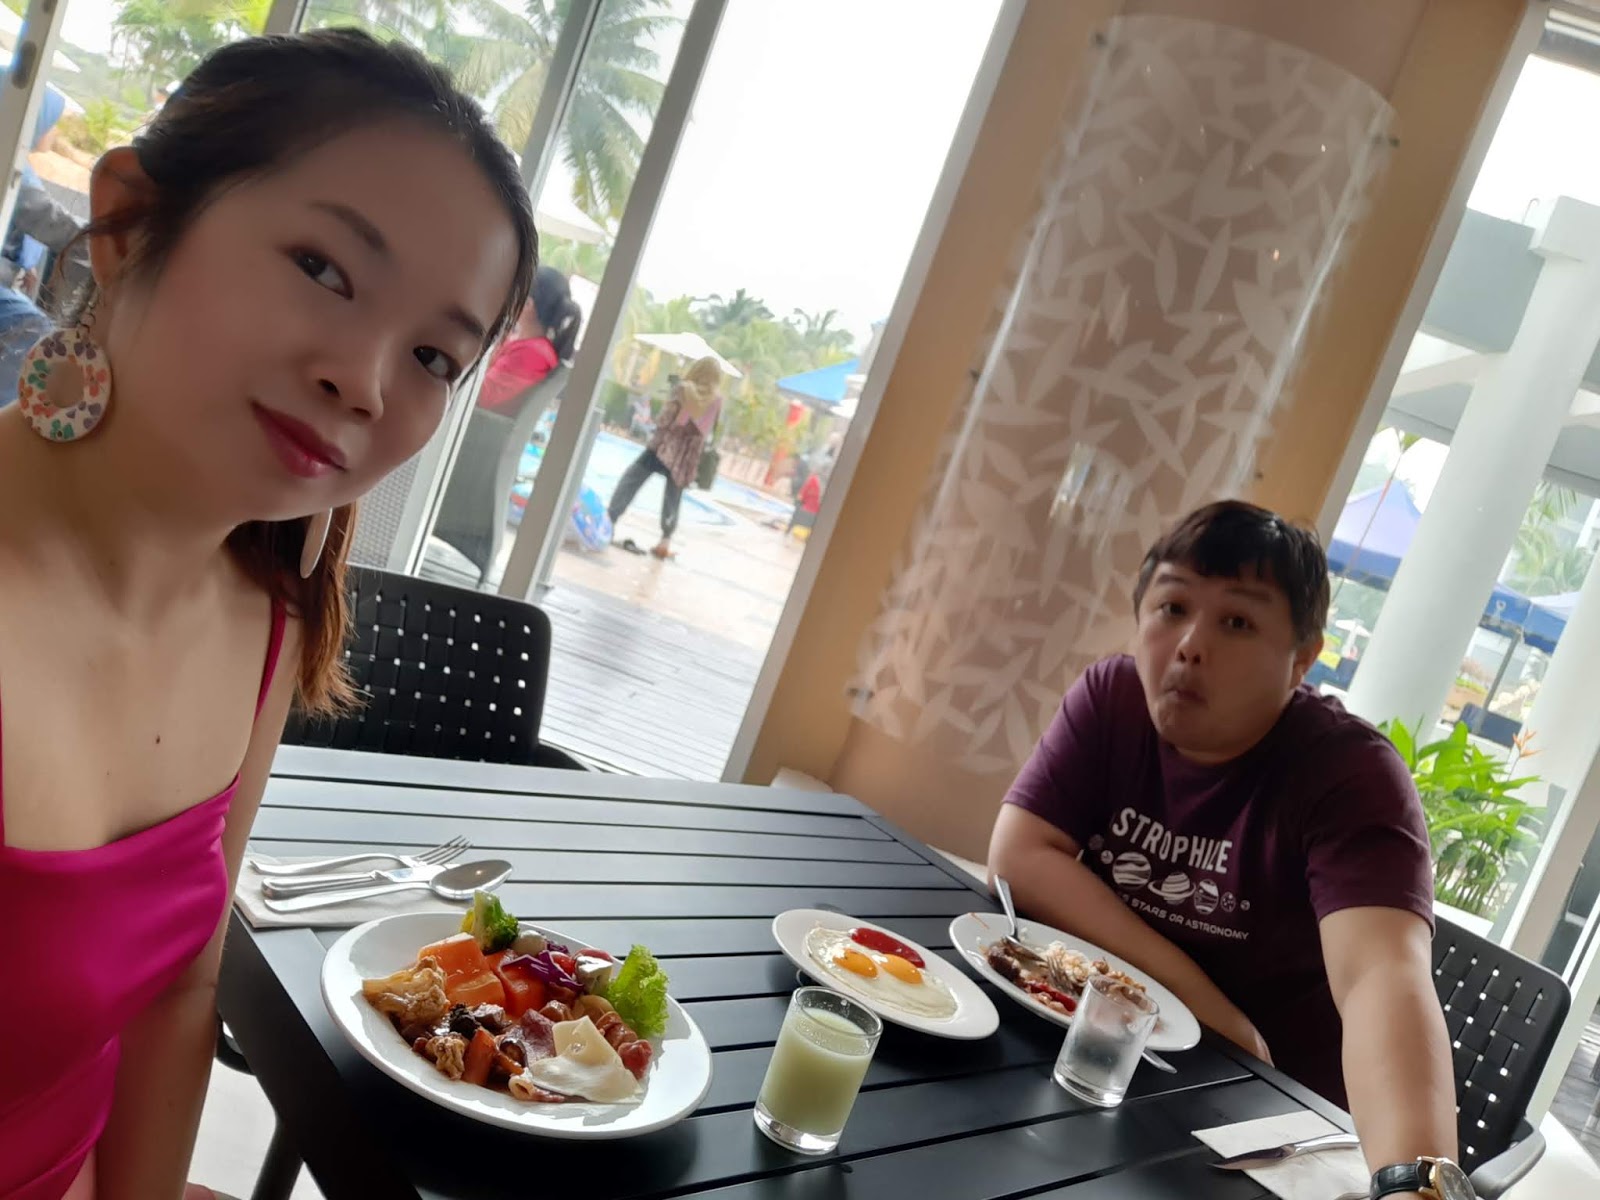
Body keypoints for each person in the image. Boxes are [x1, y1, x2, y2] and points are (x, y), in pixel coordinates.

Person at [0, 29, 537, 1200]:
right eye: (324, 269)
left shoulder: (264, 628)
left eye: (434, 355)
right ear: (128, 220)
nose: (366, 380)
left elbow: (181, 991)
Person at [987, 501, 1461, 1197]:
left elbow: (1380, 978)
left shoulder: (1349, 773)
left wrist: (1412, 1183)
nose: (1189, 645)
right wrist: (1205, 1003)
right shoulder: (1113, 700)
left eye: (1237, 622)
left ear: (1302, 660)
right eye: (1172, 607)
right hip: (1113, 1051)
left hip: (1268, 1125)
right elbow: (1021, 854)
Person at [607, 355, 722, 559]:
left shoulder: (684, 388)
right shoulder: (716, 400)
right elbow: (706, 431)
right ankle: (665, 541)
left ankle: (609, 521)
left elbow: (670, 419)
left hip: (664, 446)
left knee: (631, 480)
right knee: (673, 497)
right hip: (686, 455)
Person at [476, 263, 581, 412]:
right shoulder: (530, 347)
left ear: (528, 305)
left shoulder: (532, 353)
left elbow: (480, 395)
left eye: (515, 293)